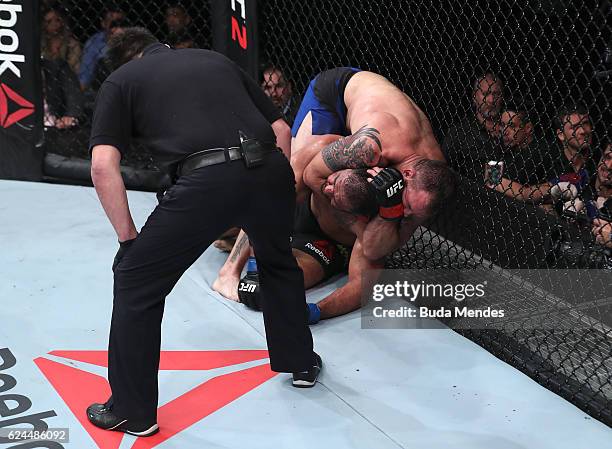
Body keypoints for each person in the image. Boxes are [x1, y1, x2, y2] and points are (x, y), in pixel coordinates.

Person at [86, 27, 320, 437]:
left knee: (135, 278)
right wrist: (271, 186)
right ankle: (300, 362)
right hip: (269, 168)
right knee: (277, 260)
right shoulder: (215, 59)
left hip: (206, 180)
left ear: (127, 60)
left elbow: (103, 166)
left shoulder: (121, 80)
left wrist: (128, 239)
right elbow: (282, 131)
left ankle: (131, 409)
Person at [291, 67, 456, 262]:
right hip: (334, 96)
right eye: (407, 206)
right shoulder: (370, 148)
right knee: (295, 175)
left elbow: (374, 249)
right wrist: (355, 223)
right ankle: (258, 240)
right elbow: (311, 174)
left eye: (411, 213)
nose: (406, 214)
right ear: (408, 174)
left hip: (377, 125)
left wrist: (390, 212)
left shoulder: (429, 185)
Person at [213, 167, 380, 322]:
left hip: (326, 243)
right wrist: (240, 270)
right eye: (332, 183)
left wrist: (314, 311)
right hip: (293, 209)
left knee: (271, 287)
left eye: (336, 197)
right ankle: (233, 255)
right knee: (219, 217)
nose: (329, 190)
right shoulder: (320, 162)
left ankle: (251, 242)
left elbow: (362, 285)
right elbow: (268, 195)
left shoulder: (370, 227)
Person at [487, 104, 596, 212]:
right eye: (575, 127)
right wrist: (547, 190)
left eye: (585, 124)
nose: (583, 131)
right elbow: (491, 179)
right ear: (561, 135)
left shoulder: (598, 162)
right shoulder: (543, 153)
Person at [443, 72, 505, 181]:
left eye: (496, 94)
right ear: (475, 96)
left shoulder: (511, 129)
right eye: (486, 94)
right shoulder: (460, 132)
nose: (491, 100)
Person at [79, 6, 125, 90]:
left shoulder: (132, 38)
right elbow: (85, 76)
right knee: (103, 63)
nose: (115, 26)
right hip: (103, 88)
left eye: (119, 22)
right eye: (111, 22)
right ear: (103, 23)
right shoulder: (94, 42)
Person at [41, 7, 82, 75]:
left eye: (57, 20)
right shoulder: (40, 44)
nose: (54, 24)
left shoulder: (72, 45)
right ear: (43, 25)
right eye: (49, 21)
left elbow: (72, 70)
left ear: (63, 22)